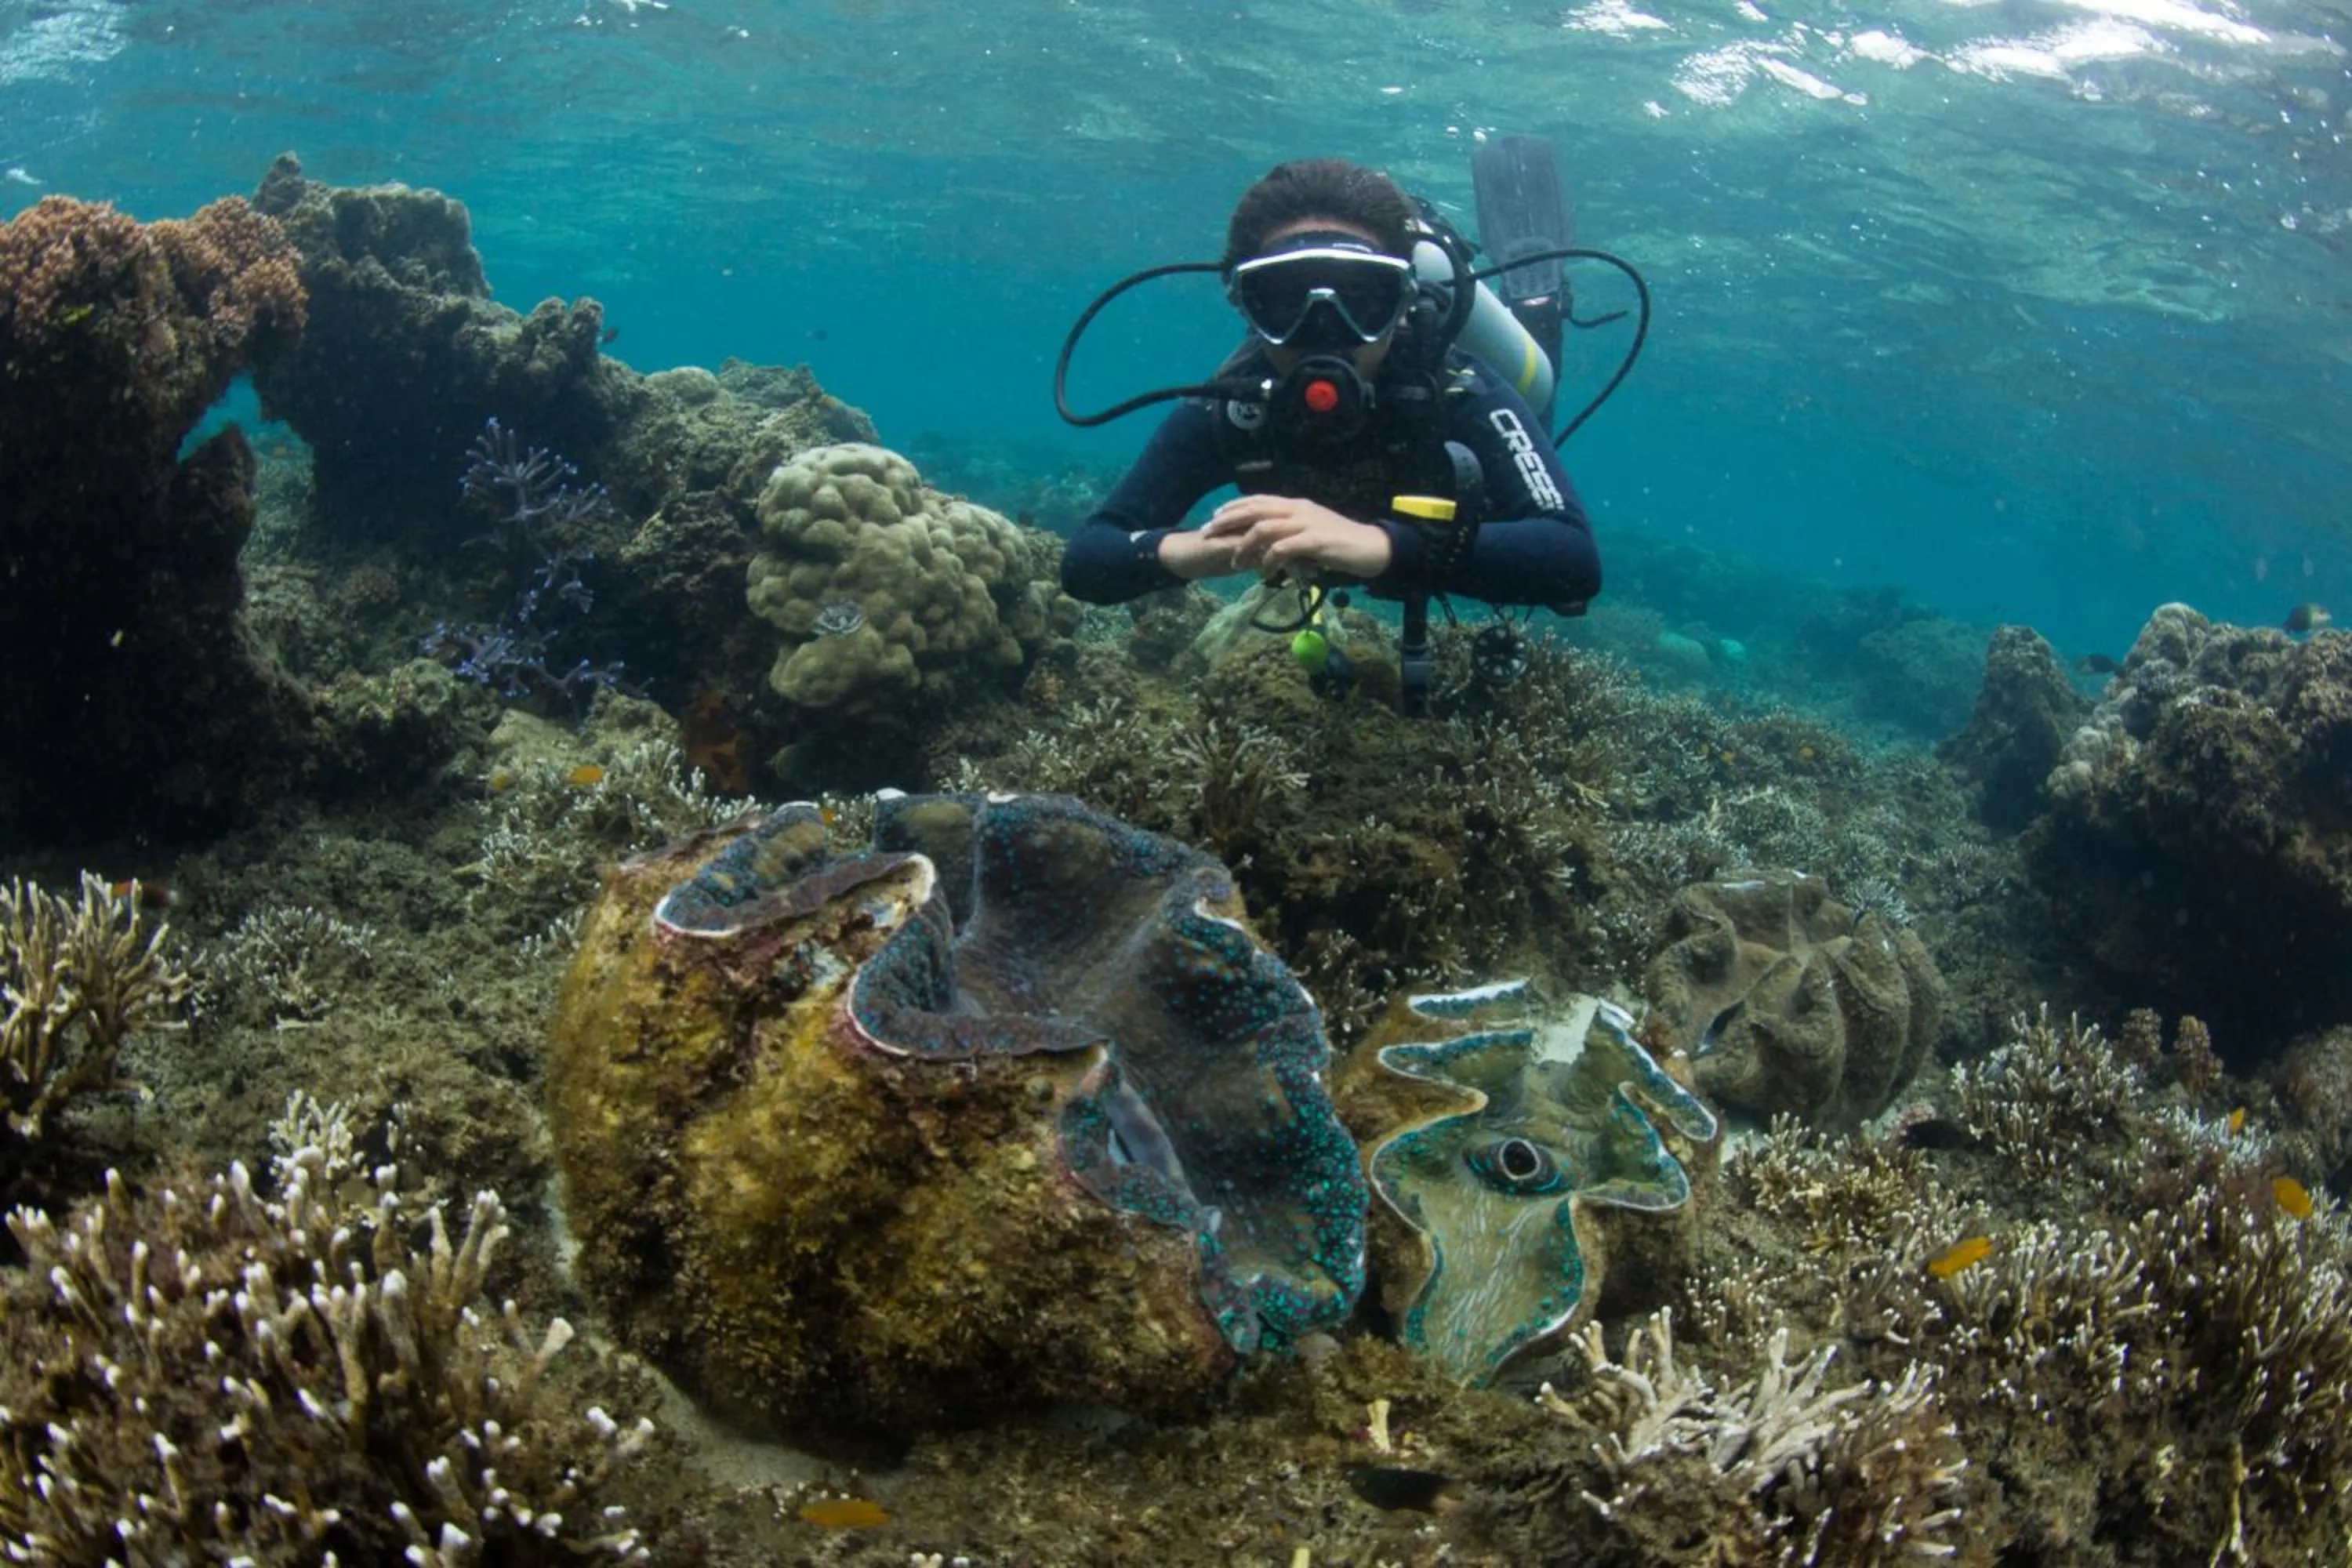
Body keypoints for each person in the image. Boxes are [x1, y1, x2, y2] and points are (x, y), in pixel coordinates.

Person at [1058, 158, 1600, 629]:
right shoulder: (1238, 409)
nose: (1324, 331)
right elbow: (1089, 559)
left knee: (1538, 387)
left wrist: (1381, 547)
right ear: (1247, 309)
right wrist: (1189, 552)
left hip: (1474, 473)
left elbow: (1571, 559)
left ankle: (1537, 307)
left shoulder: (1457, 388)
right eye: (1284, 301)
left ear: (1405, 304)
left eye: (1362, 300)